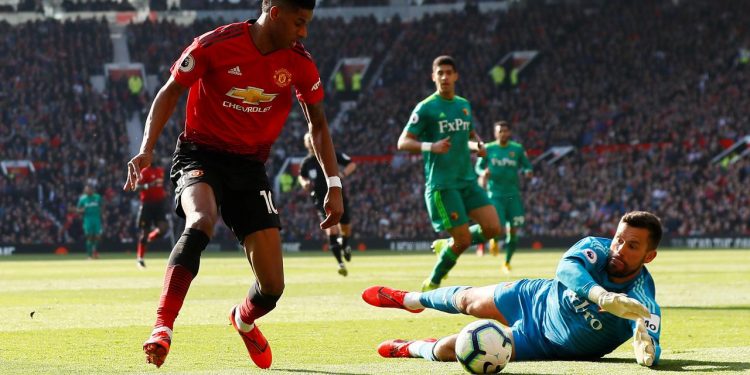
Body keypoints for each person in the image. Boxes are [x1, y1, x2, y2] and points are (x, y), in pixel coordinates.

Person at [122, 0, 344, 369]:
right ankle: (163, 326)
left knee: (272, 287)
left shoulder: (300, 63)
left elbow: (317, 124)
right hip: (200, 154)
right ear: (274, 13)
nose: (303, 32)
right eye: (299, 22)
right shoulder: (215, 44)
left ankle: (243, 319)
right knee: (201, 220)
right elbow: (170, 91)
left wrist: (333, 183)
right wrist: (146, 149)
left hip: (250, 167)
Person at [362, 211, 662, 368]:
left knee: (453, 348)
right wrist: (601, 296)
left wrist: (647, 351)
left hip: (542, 343)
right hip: (534, 297)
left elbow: (652, 345)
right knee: (468, 300)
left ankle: (413, 348)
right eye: (618, 239)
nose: (618, 249)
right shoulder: (596, 247)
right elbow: (566, 269)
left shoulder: (642, 302)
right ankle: (412, 300)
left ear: (649, 256)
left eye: (632, 245)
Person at [397, 55, 500, 292]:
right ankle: (432, 282)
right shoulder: (426, 108)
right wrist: (430, 146)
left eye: (448, 73)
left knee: (494, 228)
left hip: (467, 180)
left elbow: (468, 138)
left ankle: (447, 245)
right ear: (433, 77)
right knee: (463, 241)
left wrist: (479, 147)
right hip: (443, 185)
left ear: (456, 76)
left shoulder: (463, 105)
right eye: (439, 73)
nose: (444, 77)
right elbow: (403, 142)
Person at [475, 121, 532, 273]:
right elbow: (478, 166)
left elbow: (527, 165)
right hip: (495, 195)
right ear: (495, 133)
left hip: (513, 196)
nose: (503, 134)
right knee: (497, 228)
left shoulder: (517, 149)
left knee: (513, 231)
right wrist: (483, 173)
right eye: (500, 131)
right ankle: (493, 239)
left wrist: (528, 171)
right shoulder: (488, 148)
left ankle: (507, 262)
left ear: (509, 133)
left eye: (505, 131)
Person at [298, 132, 356, 276]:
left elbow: (351, 164)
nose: (311, 142)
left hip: (338, 196)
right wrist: (304, 183)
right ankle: (340, 263)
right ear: (306, 144)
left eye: (312, 139)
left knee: (346, 228)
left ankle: (346, 245)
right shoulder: (307, 162)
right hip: (320, 200)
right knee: (332, 231)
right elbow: (301, 175)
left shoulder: (330, 154)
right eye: (308, 140)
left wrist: (342, 174)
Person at [134, 160, 169, 269]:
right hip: (147, 205)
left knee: (163, 229)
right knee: (144, 233)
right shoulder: (144, 172)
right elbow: (136, 188)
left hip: (159, 204)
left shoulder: (161, 171)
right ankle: (140, 258)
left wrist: (165, 192)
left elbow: (162, 185)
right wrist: (148, 186)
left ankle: (150, 237)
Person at [77, 184, 103, 259]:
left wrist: (102, 213)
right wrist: (81, 210)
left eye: (88, 189)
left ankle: (95, 252)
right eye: (86, 190)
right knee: (89, 237)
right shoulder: (82, 199)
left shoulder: (97, 197)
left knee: (97, 236)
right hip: (88, 220)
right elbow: (78, 209)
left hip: (97, 219)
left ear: (92, 190)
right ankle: (89, 255)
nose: (87, 191)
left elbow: (102, 206)